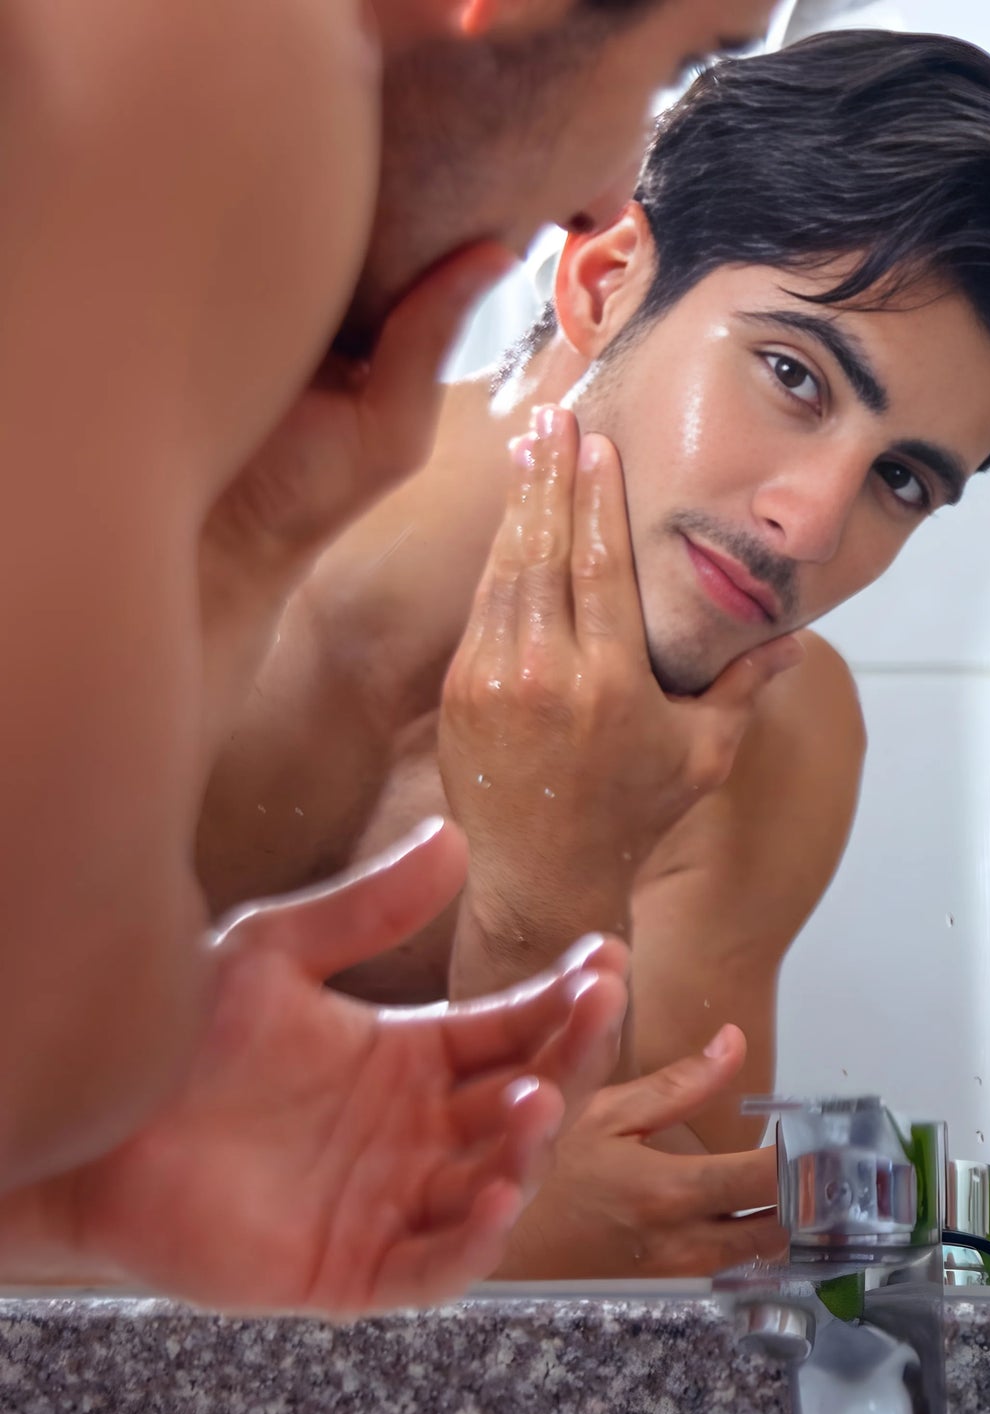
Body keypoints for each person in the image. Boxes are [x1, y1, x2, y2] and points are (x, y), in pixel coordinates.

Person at [198, 29, 990, 1278]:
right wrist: (446, 1217)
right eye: (791, 375)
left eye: (902, 479)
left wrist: (547, 887)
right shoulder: (181, 541)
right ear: (602, 284)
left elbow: (642, 1266)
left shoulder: (777, 739)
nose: (809, 523)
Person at [0, 0, 777, 1306]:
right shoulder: (241, 48)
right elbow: (37, 1014)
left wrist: (85, 1179)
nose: (599, 199)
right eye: (682, 59)